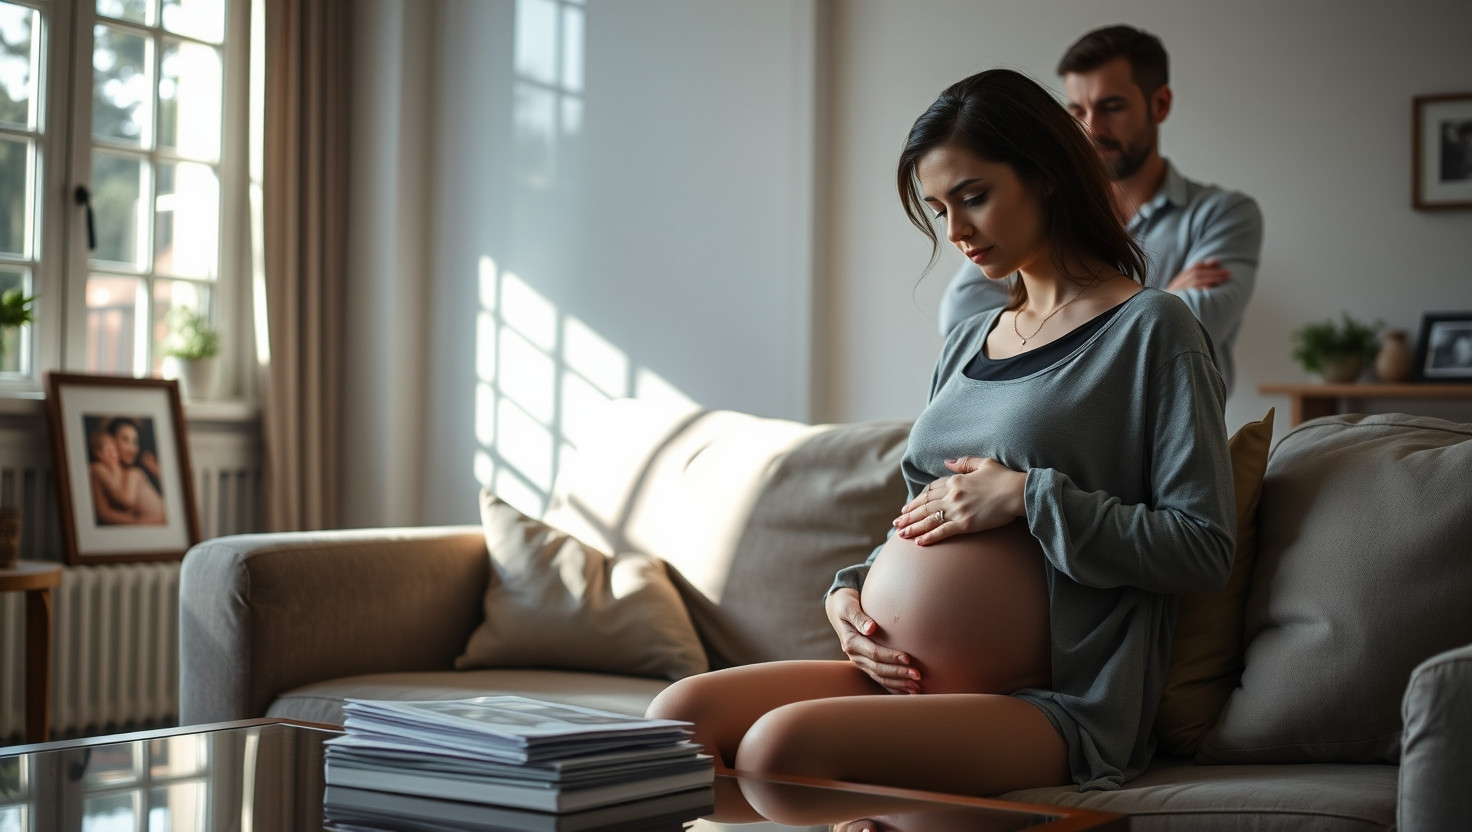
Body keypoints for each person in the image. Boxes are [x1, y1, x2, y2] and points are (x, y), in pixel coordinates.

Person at [646, 68, 1235, 798]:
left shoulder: (1152, 330)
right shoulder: (968, 340)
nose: (955, 232)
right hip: (902, 677)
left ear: (1046, 176)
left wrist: (1030, 497)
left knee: (777, 748)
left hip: (1048, 703)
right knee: (673, 720)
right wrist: (850, 594)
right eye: (937, 209)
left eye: (974, 197)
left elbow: (1204, 548)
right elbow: (923, 516)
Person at [937, 24, 1263, 396]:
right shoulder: (1044, 209)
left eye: (1111, 107)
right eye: (1077, 109)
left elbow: (1187, 333)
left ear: (1160, 104)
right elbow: (961, 318)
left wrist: (1044, 319)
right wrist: (1163, 297)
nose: (1091, 127)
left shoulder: (1224, 214)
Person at [88, 428, 167, 525]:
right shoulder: (98, 470)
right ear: (97, 453)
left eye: (114, 449)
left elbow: (127, 500)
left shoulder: (134, 473)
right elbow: (103, 513)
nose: (131, 448)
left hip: (160, 520)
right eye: (125, 440)